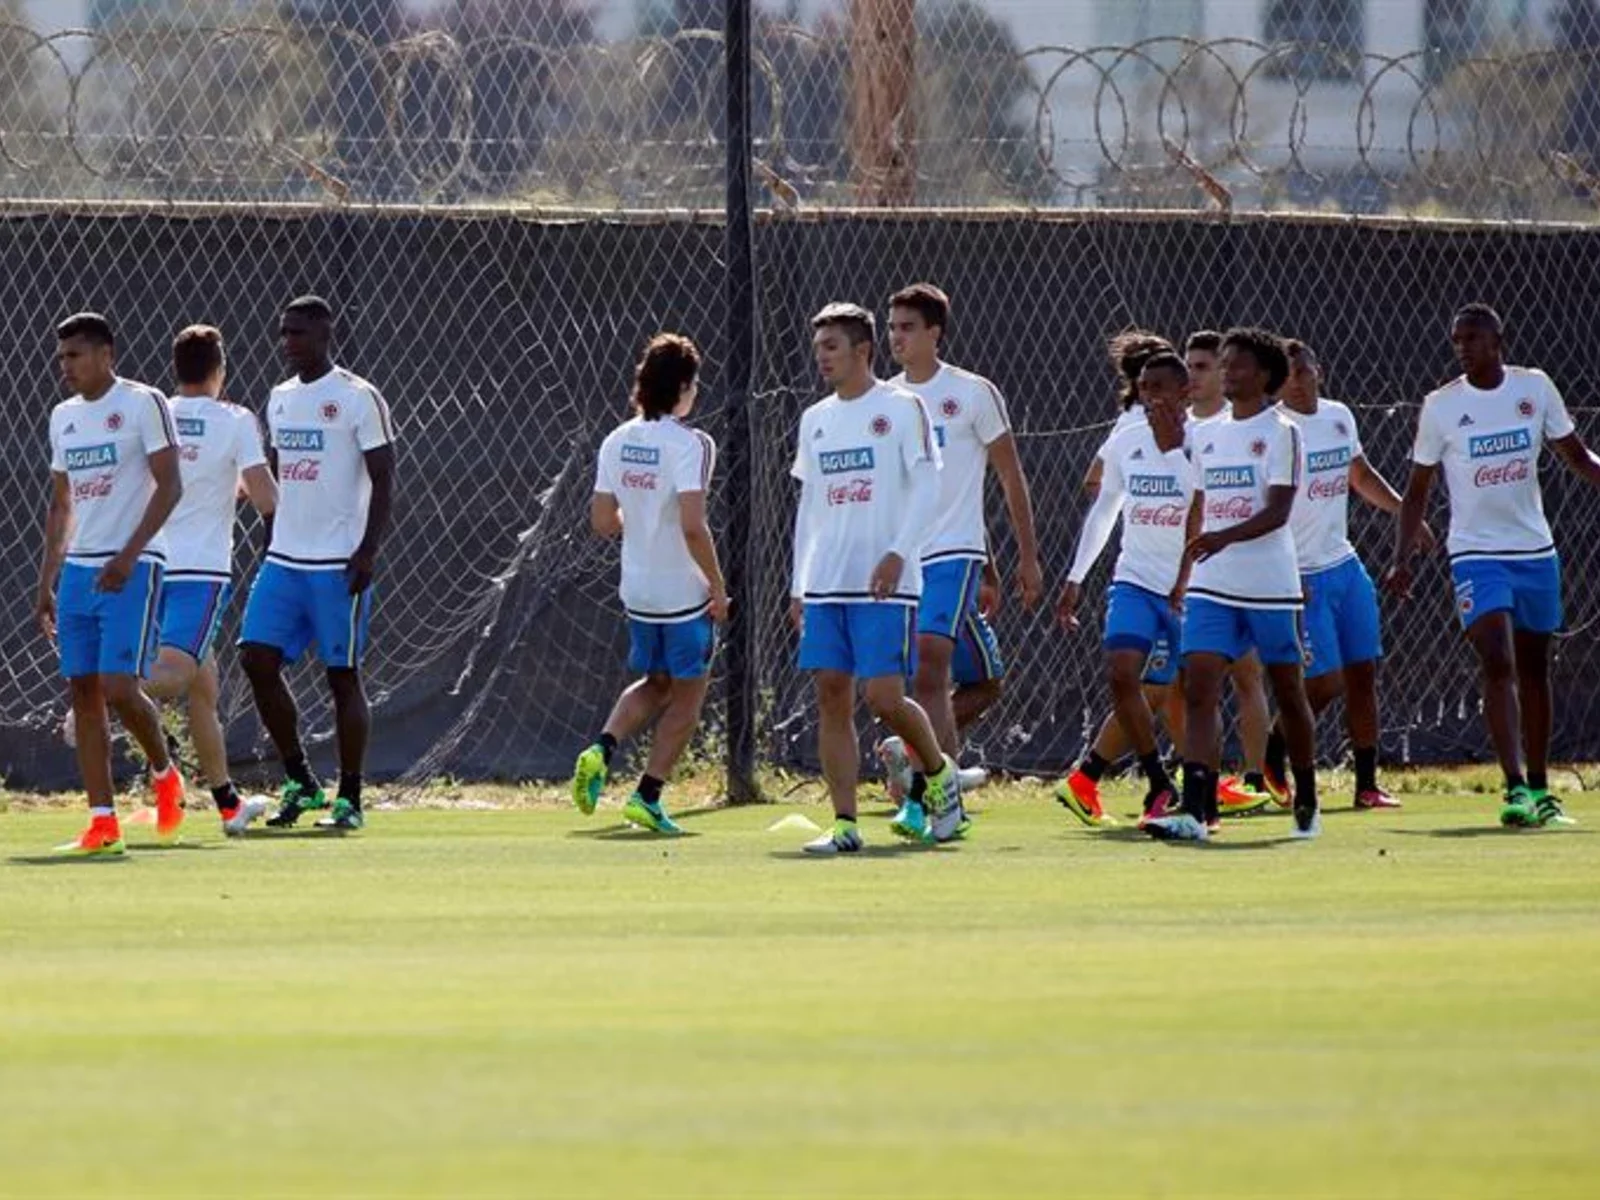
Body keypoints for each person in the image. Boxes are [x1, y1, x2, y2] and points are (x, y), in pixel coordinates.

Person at [1387, 303, 1600, 828]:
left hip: (1534, 551)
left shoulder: (1533, 388)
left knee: (1533, 669)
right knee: (1496, 660)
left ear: (1497, 340)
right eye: (1457, 339)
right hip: (1476, 554)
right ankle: (1513, 789)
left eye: (1473, 338)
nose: (1463, 347)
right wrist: (1402, 556)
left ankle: (1541, 788)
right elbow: (1418, 489)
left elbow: (1577, 455)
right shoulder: (1441, 406)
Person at [790, 302, 961, 854]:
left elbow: (927, 487)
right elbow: (809, 505)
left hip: (886, 586)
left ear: (862, 350)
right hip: (827, 584)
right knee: (831, 696)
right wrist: (799, 584)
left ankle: (938, 776)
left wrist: (896, 553)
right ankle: (844, 825)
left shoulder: (901, 408)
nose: (822, 357)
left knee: (884, 697)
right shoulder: (815, 419)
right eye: (818, 347)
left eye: (831, 346)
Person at [876, 283, 1042, 825]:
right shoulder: (886, 402)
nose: (896, 337)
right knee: (934, 679)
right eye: (892, 327)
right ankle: (923, 761)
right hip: (905, 556)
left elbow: (1008, 476)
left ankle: (935, 799)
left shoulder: (972, 393)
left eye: (907, 327)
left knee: (929, 665)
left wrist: (1025, 556)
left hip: (954, 553)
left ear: (934, 334)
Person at [1149, 327, 1322, 841]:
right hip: (1212, 584)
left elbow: (1279, 510)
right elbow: (1200, 500)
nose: (1227, 372)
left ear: (1265, 376)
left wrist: (1223, 537)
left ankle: (1306, 798)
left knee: (1288, 692)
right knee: (1199, 686)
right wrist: (1191, 562)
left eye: (1238, 365)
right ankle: (1198, 811)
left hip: (1269, 583)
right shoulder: (1207, 433)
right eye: (1223, 364)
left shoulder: (1282, 431)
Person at [239, 296, 396, 832]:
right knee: (256, 658)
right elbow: (277, 479)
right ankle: (301, 780)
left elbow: (384, 478)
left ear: (326, 333)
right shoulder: (279, 399)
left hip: (337, 564)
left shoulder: (358, 397)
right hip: (284, 559)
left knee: (342, 677)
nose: (289, 342)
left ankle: (350, 797)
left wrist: (368, 550)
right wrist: (268, 538)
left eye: (299, 333)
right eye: (283, 333)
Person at [39, 312, 187, 856]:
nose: (65, 367)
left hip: (135, 564)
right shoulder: (63, 416)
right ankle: (102, 822)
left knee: (119, 687)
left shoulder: (144, 402)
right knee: (83, 691)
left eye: (75, 355)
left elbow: (171, 486)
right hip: (79, 570)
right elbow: (61, 503)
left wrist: (129, 555)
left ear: (106, 354)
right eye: (61, 358)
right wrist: (47, 580)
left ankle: (165, 772)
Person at [571, 334, 726, 835]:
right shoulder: (693, 444)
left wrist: (638, 514)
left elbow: (601, 521)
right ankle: (648, 795)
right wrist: (718, 589)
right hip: (682, 594)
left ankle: (602, 747)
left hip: (638, 590)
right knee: (687, 698)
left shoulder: (617, 439)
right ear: (682, 387)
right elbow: (693, 525)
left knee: (656, 682)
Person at [1267, 339, 1423, 811]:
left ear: (1319, 370)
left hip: (1344, 566)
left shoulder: (1339, 416)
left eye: (1301, 370)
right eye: (1285, 373)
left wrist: (1404, 513)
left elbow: (1360, 475)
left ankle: (1367, 785)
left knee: (1363, 673)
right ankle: (1272, 752)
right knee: (1324, 682)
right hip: (1298, 573)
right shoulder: (1273, 430)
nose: (1294, 380)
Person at [144, 325, 279, 835]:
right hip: (199, 571)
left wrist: (228, 488)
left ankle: (227, 803)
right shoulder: (237, 419)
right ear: (220, 369)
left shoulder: (156, 413)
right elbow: (265, 497)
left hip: (148, 563)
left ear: (177, 368)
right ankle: (100, 694)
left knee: (204, 689)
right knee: (175, 675)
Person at [1058, 352, 1195, 828]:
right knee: (1121, 674)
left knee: (1171, 692)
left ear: (1186, 393)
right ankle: (1159, 780)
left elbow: (1204, 502)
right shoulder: (1126, 440)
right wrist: (1076, 576)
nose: (1151, 396)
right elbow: (1105, 510)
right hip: (1133, 581)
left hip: (1185, 590)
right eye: (1144, 388)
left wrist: (1173, 446)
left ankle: (1202, 788)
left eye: (1161, 387)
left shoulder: (1204, 441)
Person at [1187, 329, 1274, 808]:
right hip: (1200, 573)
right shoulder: (1178, 427)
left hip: (1252, 574)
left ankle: (1256, 779)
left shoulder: (1255, 426)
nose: (1196, 377)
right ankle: (1201, 785)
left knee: (1249, 676)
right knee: (1193, 682)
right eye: (1193, 367)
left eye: (1206, 366)